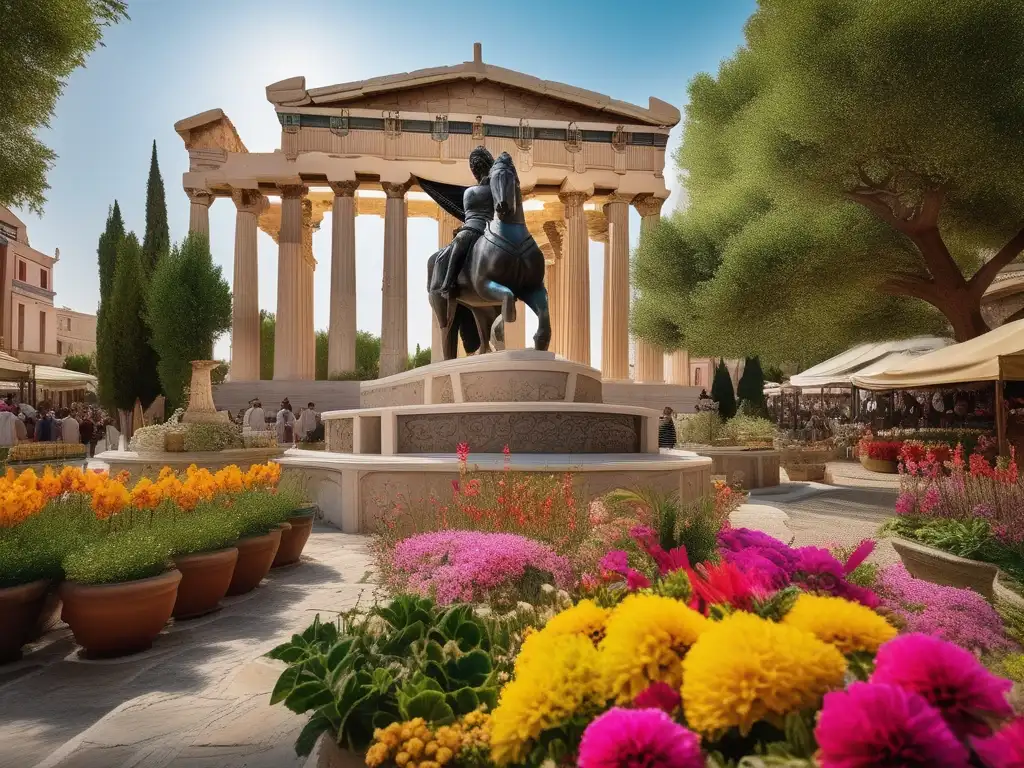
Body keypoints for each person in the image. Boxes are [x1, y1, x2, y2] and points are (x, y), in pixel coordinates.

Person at [438, 146, 496, 298]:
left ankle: (448, 283)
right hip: (475, 226)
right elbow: (469, 215)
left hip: (484, 228)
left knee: (460, 239)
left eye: (478, 166)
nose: (476, 170)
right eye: (474, 167)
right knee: (458, 239)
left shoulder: (494, 188)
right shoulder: (472, 191)